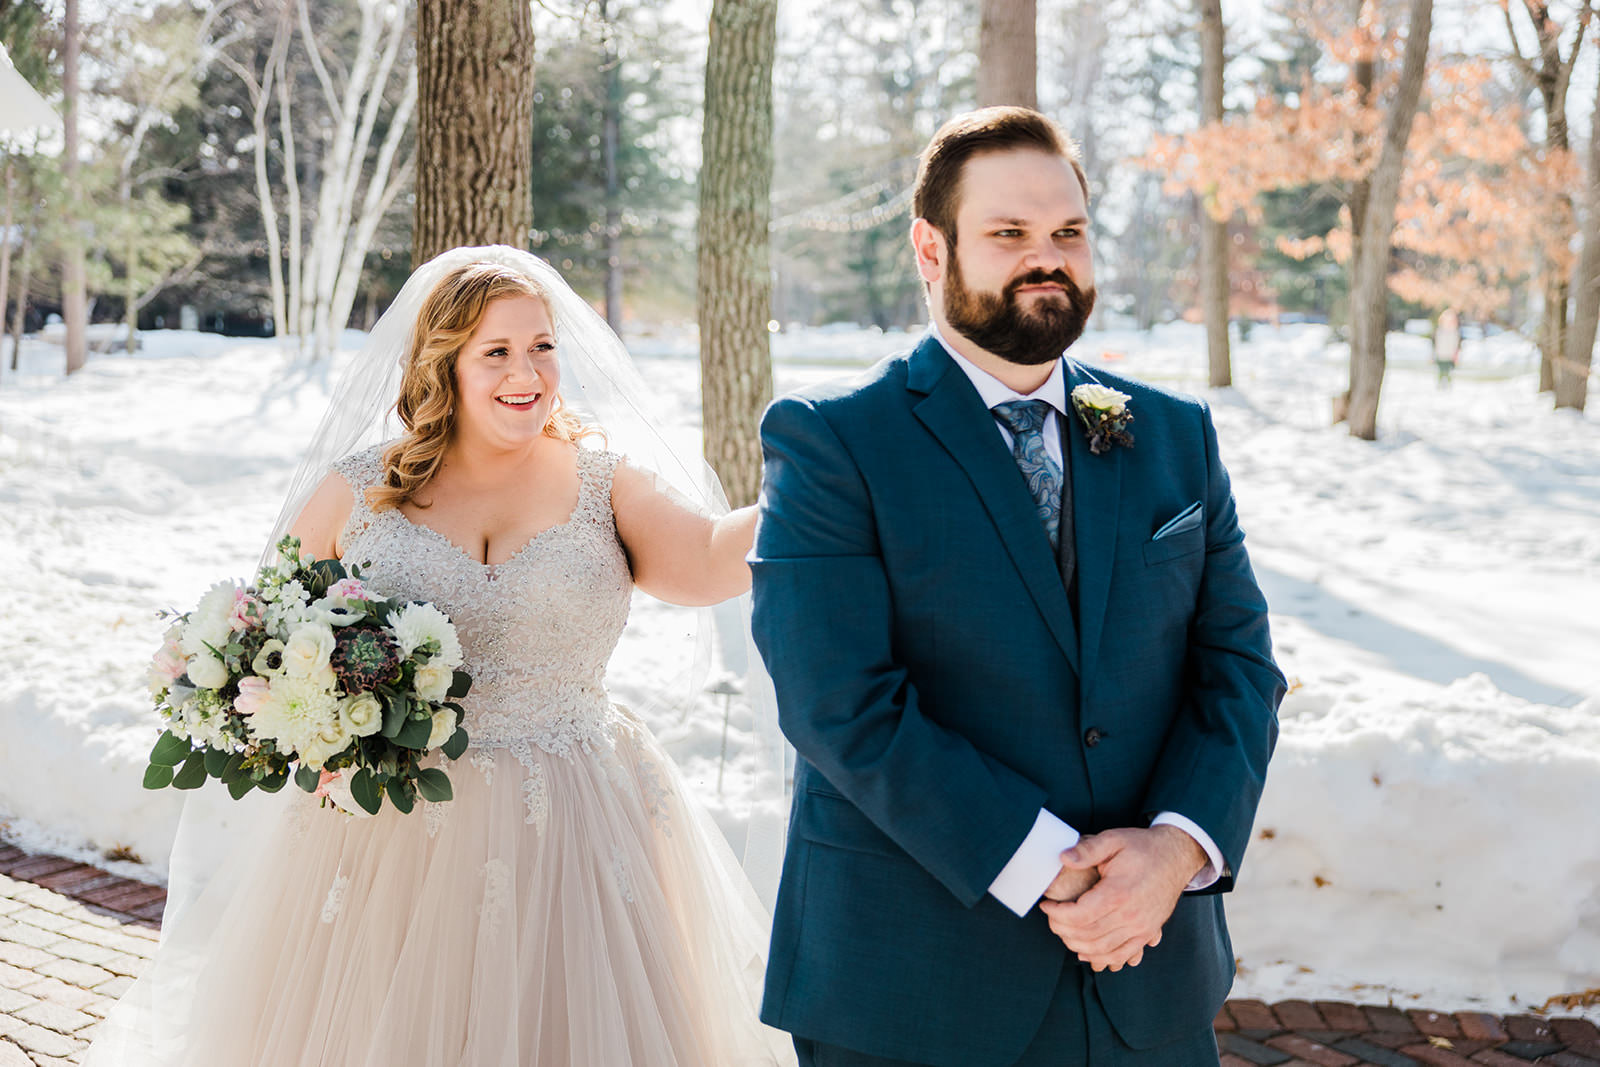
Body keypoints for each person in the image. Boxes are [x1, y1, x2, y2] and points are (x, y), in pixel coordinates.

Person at [85, 247, 796, 1066]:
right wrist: (310, 731)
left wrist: (807, 482)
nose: (525, 372)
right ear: (444, 365)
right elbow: (267, 637)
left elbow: (709, 558)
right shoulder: (361, 490)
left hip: (575, 820)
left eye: (541, 346)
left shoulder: (605, 487)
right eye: (495, 351)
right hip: (389, 832)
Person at [750, 107, 1286, 1066]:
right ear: (931, 246)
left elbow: (1238, 666)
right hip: (915, 986)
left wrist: (1171, 855)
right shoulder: (832, 440)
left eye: (1068, 233)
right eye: (1009, 234)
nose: (1048, 259)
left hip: (1146, 972)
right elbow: (839, 702)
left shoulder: (1172, 432)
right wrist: (1052, 869)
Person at [1435, 307, 1461, 389]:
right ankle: (1440, 385)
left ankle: (1449, 386)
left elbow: (1456, 345)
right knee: (1441, 372)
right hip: (1441, 355)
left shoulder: (1454, 332)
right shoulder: (1440, 331)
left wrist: (1456, 355)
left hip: (1450, 355)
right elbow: (1436, 344)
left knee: (1449, 372)